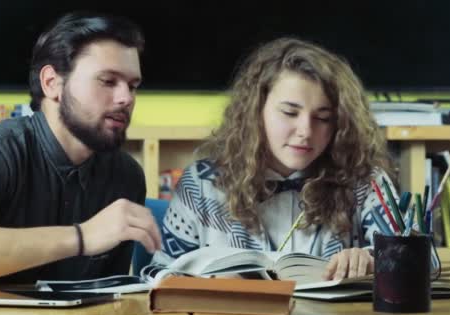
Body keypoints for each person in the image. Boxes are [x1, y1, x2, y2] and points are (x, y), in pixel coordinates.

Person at [0, 12, 161, 284]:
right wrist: (81, 237)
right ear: (52, 83)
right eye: (108, 81)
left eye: (133, 86)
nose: (126, 98)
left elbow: (106, 300)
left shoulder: (126, 176)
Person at [161, 37, 398, 281]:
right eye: (289, 113)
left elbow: (423, 262)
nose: (305, 131)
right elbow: (158, 276)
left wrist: (371, 258)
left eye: (324, 118)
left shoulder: (363, 180)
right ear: (256, 110)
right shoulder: (201, 185)